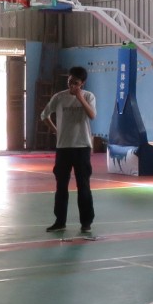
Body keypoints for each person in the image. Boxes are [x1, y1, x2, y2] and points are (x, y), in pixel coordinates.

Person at [42, 65, 97, 239]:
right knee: (61, 186)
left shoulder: (88, 96)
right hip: (63, 148)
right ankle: (60, 221)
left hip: (82, 147)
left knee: (83, 186)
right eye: (70, 81)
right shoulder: (59, 97)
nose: (72, 85)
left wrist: (79, 97)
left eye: (76, 83)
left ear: (82, 83)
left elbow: (92, 115)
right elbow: (44, 115)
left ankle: (86, 222)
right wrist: (55, 130)